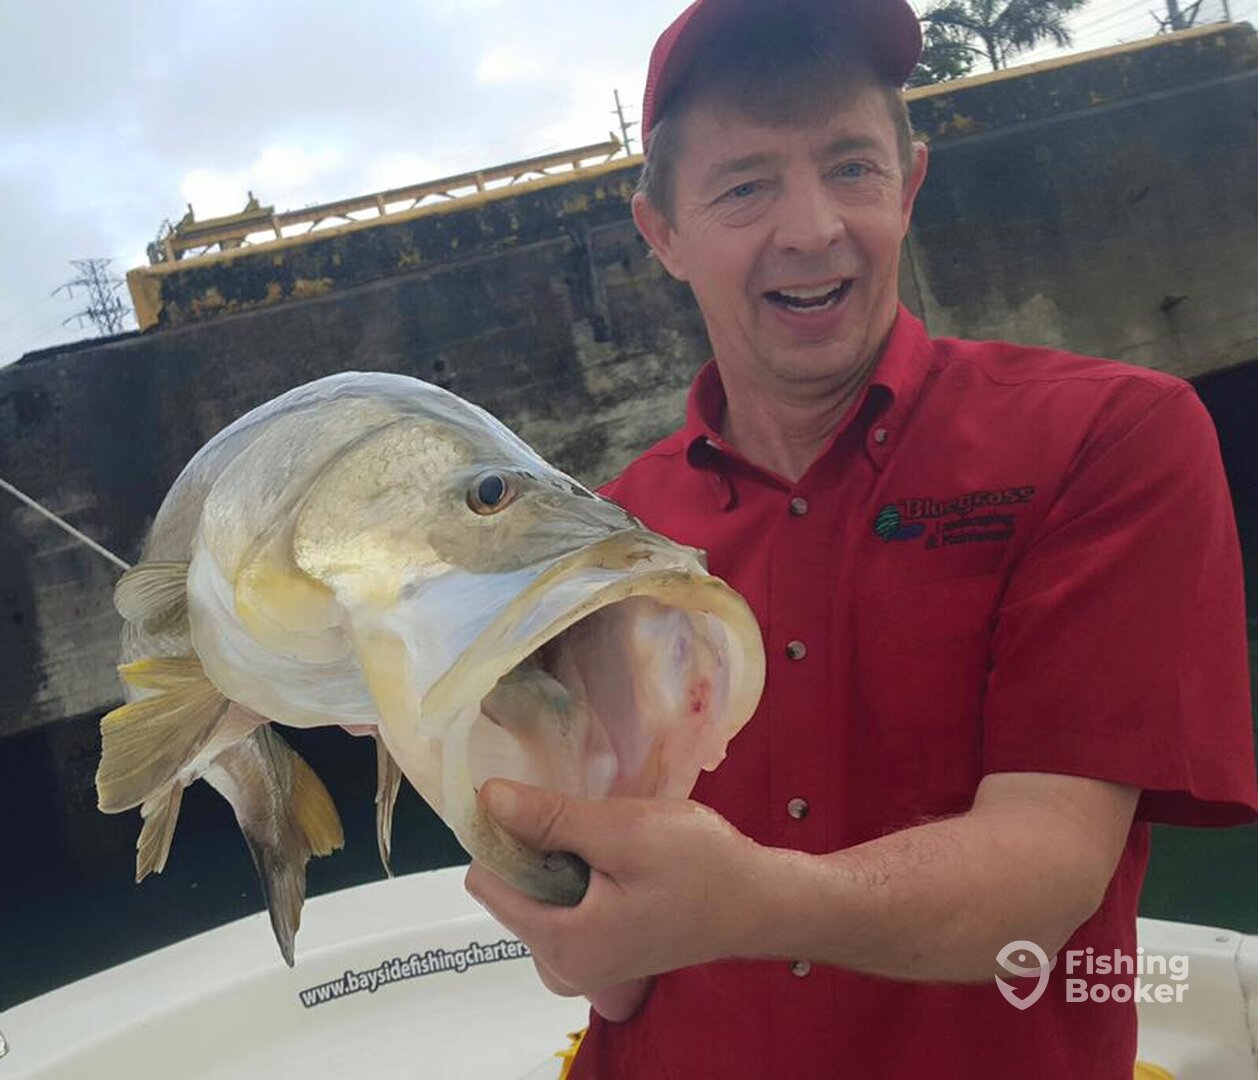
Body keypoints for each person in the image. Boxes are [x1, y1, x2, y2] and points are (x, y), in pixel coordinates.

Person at [464, 1, 1258, 1075]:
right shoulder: (594, 549)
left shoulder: (1108, 436)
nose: (811, 229)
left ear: (911, 182)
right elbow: (602, 965)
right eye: (744, 186)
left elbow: (1049, 868)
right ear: (661, 233)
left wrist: (750, 902)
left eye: (850, 167)